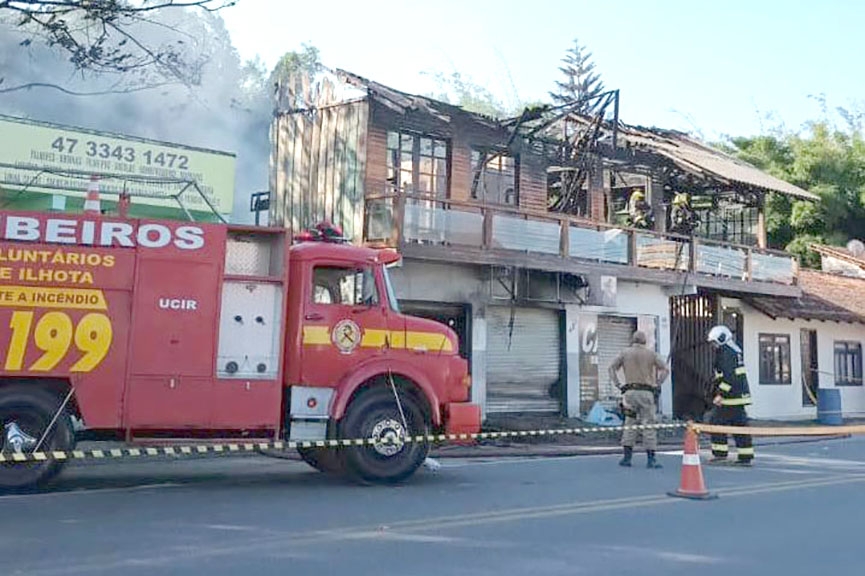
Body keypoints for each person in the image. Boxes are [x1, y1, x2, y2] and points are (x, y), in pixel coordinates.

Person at [609, 330, 670, 468]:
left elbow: (611, 368)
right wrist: (658, 383)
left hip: (629, 393)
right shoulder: (651, 354)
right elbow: (666, 369)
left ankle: (627, 458)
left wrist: (618, 384)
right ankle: (651, 459)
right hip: (646, 393)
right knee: (648, 424)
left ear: (632, 340)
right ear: (645, 341)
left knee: (630, 423)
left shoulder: (625, 353)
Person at [706, 325, 754, 465]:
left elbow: (729, 377)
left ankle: (720, 454)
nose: (713, 345)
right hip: (738, 395)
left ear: (721, 339)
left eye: (714, 342)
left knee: (716, 423)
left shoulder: (726, 353)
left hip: (730, 397)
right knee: (739, 426)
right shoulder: (734, 350)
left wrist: (720, 394)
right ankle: (746, 456)